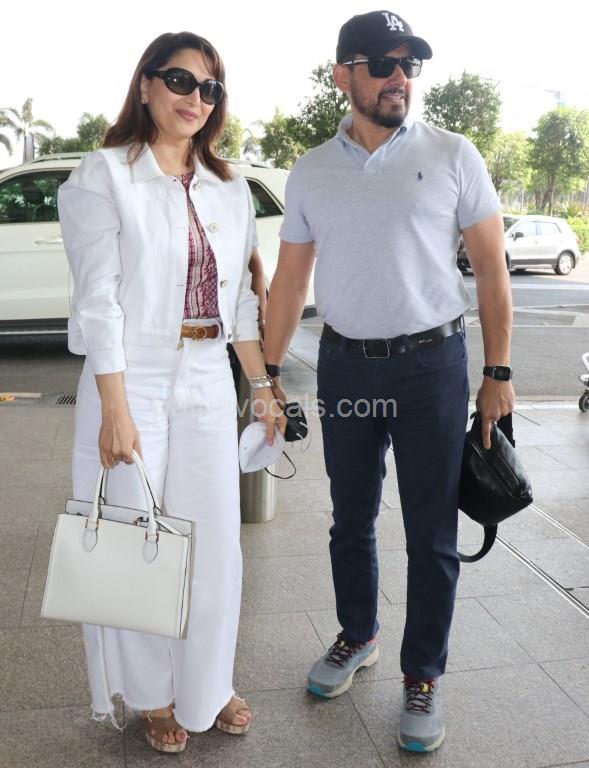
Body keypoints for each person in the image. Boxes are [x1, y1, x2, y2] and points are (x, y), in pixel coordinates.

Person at [263, 10, 514, 753]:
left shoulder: (453, 154)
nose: (399, 77)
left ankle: (423, 673)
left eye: (409, 64)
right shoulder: (311, 170)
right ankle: (358, 632)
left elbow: (492, 270)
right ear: (342, 75)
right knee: (350, 517)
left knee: (432, 530)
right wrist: (266, 375)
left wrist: (497, 372)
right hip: (345, 367)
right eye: (382, 63)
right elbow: (288, 284)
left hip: (432, 368)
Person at [58, 31, 284, 754]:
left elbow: (239, 302)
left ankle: (207, 686)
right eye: (181, 81)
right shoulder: (105, 175)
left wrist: (262, 387)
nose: (196, 98)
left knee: (215, 545)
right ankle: (152, 694)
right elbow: (98, 301)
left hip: (208, 374)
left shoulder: (228, 187)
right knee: (137, 541)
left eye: (210, 88)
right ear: (147, 85)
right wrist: (115, 409)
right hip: (134, 376)